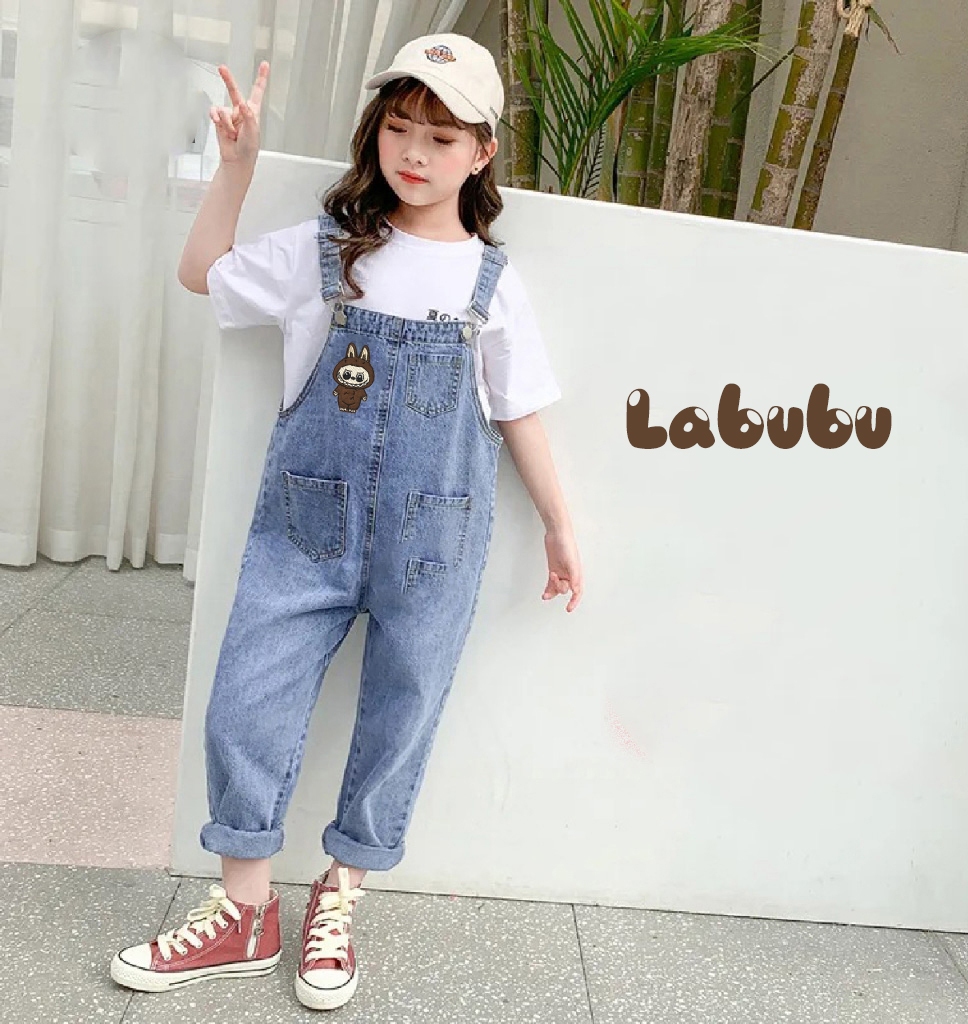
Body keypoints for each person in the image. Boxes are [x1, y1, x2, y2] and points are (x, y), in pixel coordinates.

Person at [109, 32, 583, 1012]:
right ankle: (244, 913)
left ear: (482, 153)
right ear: (376, 132)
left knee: (402, 714)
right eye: (400, 127)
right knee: (246, 703)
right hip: (305, 528)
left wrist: (559, 525)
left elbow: (520, 412)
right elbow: (201, 273)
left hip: (434, 542)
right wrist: (236, 167)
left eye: (442, 137)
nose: (415, 152)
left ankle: (341, 892)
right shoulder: (326, 250)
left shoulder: (492, 283)